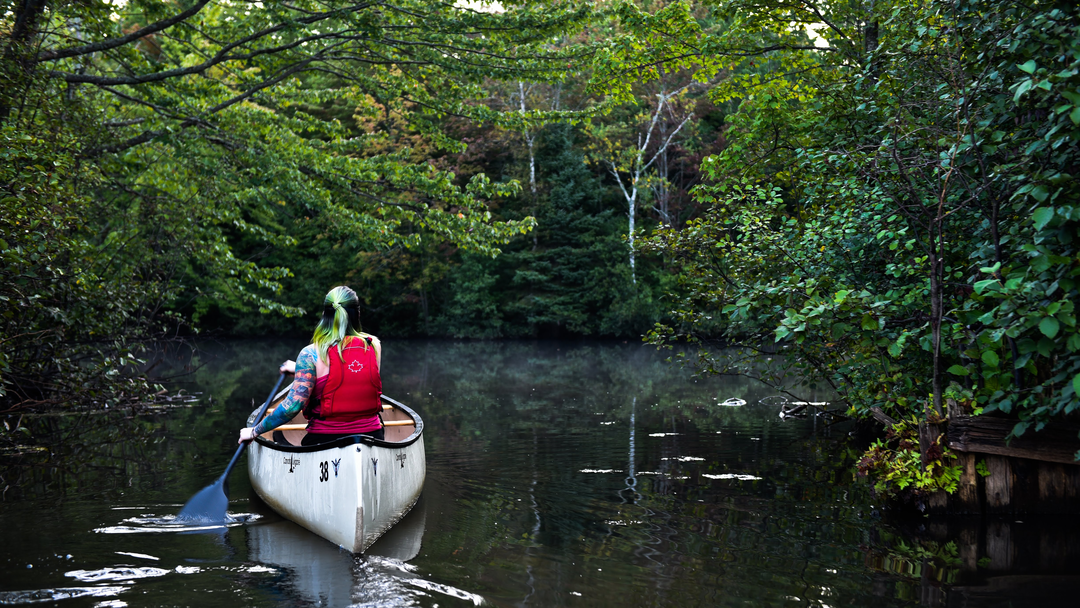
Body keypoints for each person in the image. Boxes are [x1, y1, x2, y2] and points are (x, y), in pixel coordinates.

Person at [238, 286, 383, 446]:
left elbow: (292, 407)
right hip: (372, 436)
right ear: (358, 314)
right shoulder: (372, 345)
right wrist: (301, 370)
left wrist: (254, 431)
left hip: (324, 439)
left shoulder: (310, 354)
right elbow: (355, 378)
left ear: (324, 315)